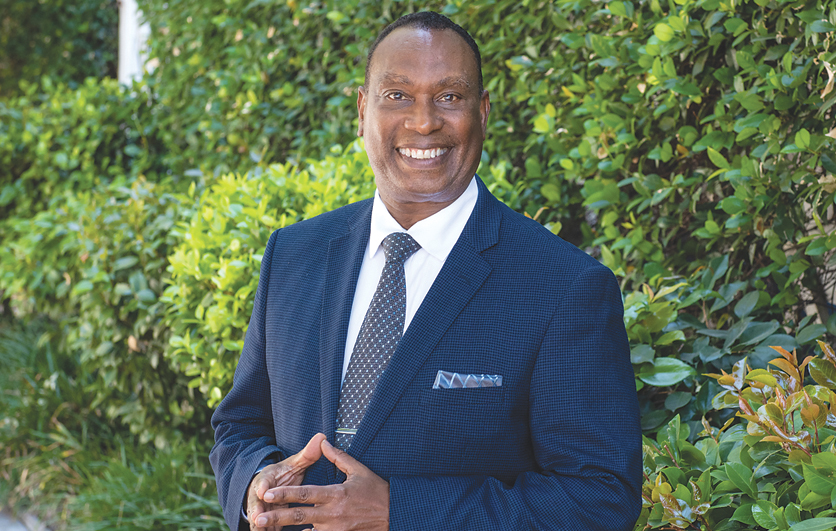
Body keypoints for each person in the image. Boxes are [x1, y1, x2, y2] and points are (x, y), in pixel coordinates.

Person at [209, 11, 641, 531]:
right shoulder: (294, 254)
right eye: (397, 96)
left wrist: (400, 510)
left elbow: (599, 498)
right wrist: (255, 481)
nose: (422, 121)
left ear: (482, 113)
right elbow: (239, 426)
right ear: (363, 109)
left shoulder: (564, 288)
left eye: (449, 97)